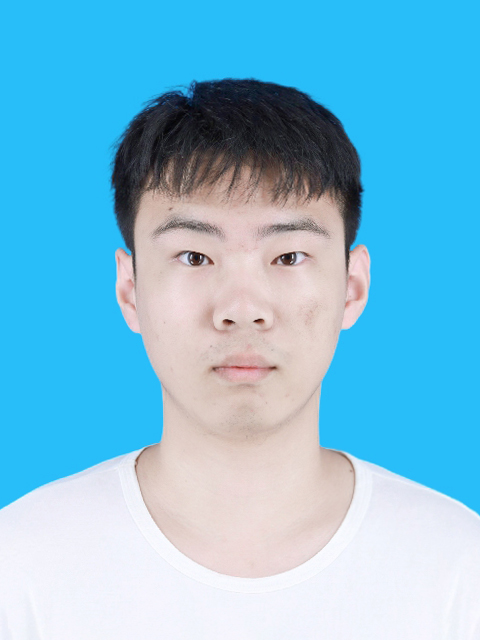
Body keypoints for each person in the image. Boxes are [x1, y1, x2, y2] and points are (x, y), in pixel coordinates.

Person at [0, 78, 479, 639]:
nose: (243, 309)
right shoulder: (22, 563)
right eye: (194, 256)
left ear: (353, 286)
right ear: (130, 290)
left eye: (289, 256)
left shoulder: (456, 566)